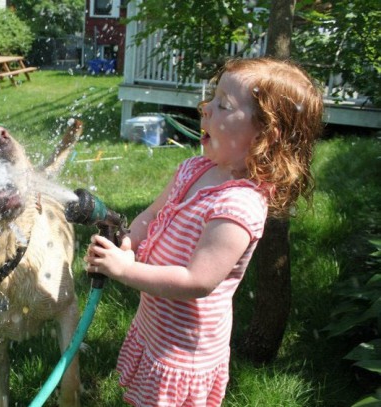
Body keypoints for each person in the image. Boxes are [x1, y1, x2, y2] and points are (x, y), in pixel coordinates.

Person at [84, 57, 324, 406]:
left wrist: (124, 270)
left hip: (183, 351)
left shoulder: (239, 206)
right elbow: (152, 214)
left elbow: (198, 281)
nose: (205, 107)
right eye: (212, 97)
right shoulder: (194, 168)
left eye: (223, 104)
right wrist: (128, 241)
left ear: (263, 136)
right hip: (155, 327)